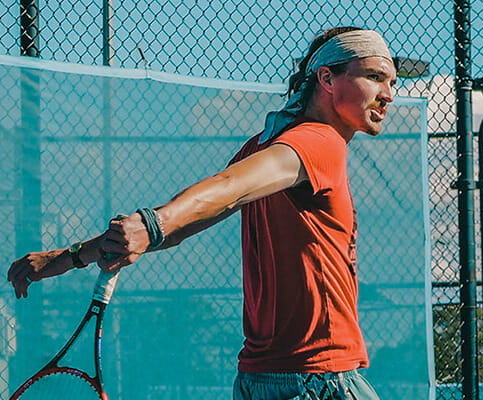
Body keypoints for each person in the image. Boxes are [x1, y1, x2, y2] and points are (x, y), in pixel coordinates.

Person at [8, 26, 397, 399]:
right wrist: (153, 224)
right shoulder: (319, 142)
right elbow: (227, 189)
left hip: (259, 381)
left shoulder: (264, 146)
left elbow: (188, 220)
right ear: (327, 79)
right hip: (316, 379)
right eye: (376, 77)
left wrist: (71, 256)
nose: (389, 94)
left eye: (392, 82)